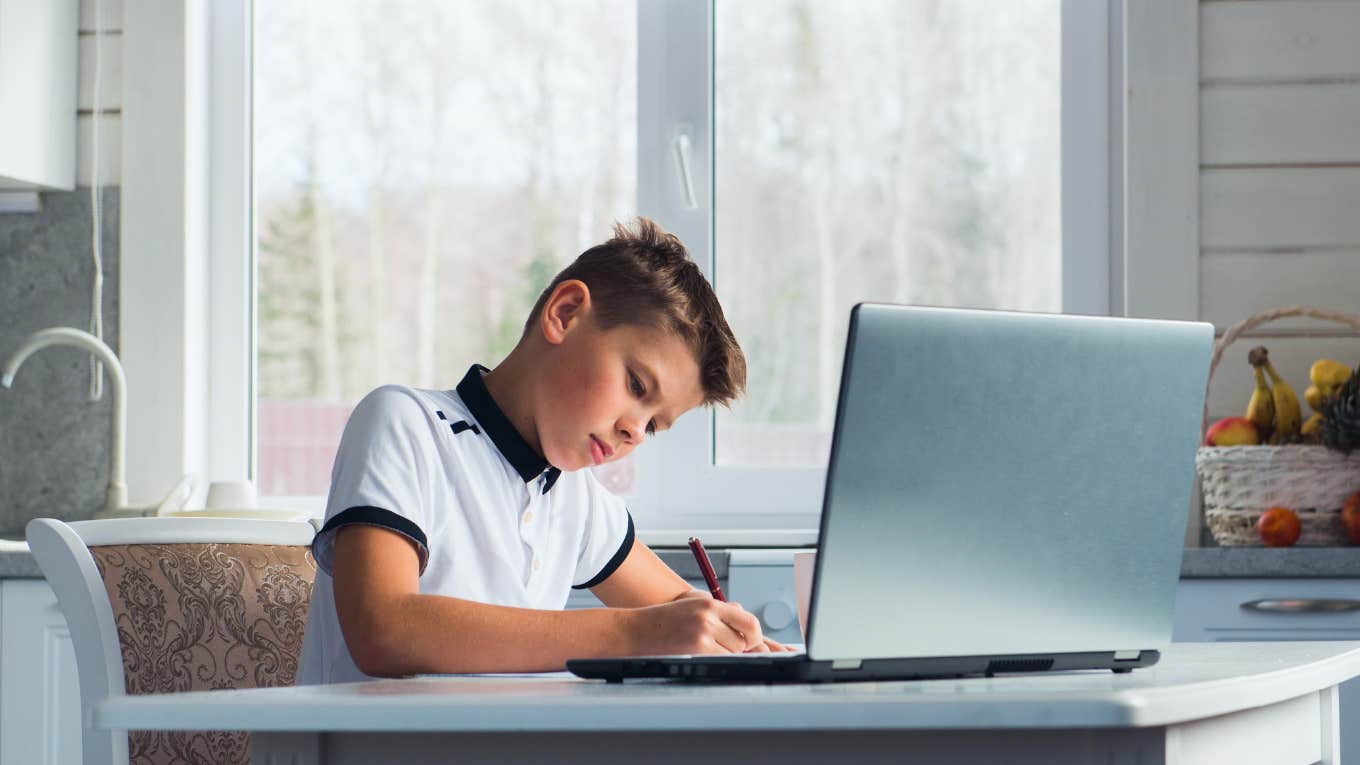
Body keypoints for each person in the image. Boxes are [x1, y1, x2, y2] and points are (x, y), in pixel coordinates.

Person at [299, 217, 791, 683]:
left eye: (653, 426)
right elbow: (383, 629)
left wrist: (749, 647)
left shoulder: (577, 496)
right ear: (565, 314)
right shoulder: (404, 424)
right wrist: (636, 632)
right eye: (637, 385)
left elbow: (681, 609)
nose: (635, 432)